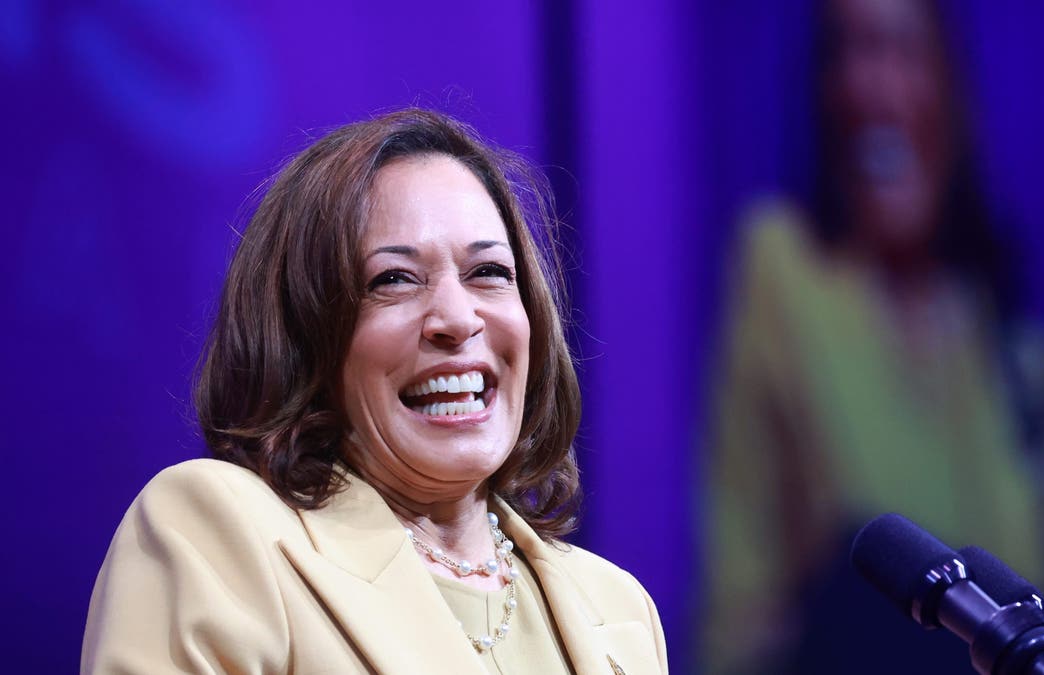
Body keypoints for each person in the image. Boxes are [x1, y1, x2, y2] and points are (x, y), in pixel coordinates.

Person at [82, 108, 668, 674]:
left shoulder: (619, 608)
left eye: (488, 272)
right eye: (393, 280)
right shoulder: (218, 536)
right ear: (304, 336)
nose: (458, 320)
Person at [702, 0, 1044, 672]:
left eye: (897, 48)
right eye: (846, 52)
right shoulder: (782, 263)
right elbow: (742, 580)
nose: (868, 86)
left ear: (950, 90)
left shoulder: (1001, 321)